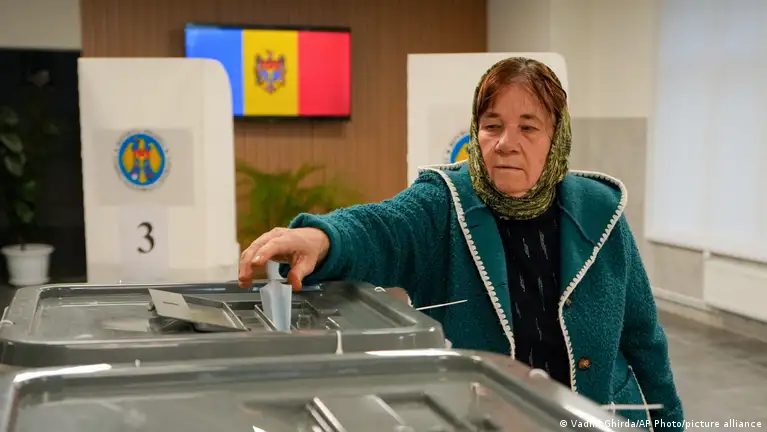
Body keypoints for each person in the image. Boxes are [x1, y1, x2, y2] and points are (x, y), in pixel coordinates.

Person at [238, 57, 683, 431]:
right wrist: (321, 237)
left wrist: (671, 423)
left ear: (556, 139)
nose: (506, 144)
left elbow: (644, 339)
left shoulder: (599, 211)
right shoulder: (444, 203)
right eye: (492, 126)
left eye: (528, 128)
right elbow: (382, 228)